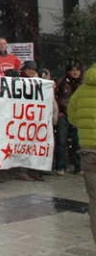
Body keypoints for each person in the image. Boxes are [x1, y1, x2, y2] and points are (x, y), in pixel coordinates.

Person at [67, 64, 96, 243]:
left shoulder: (81, 91)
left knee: (94, 199)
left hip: (88, 152)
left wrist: (86, 128)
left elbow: (72, 116)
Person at [55, 61, 83, 175]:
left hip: (78, 116)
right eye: (73, 70)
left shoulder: (83, 84)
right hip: (64, 115)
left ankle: (78, 167)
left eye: (77, 70)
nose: (75, 72)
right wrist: (59, 111)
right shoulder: (61, 82)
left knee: (77, 142)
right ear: (68, 71)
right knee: (62, 141)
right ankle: (60, 167)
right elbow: (55, 97)